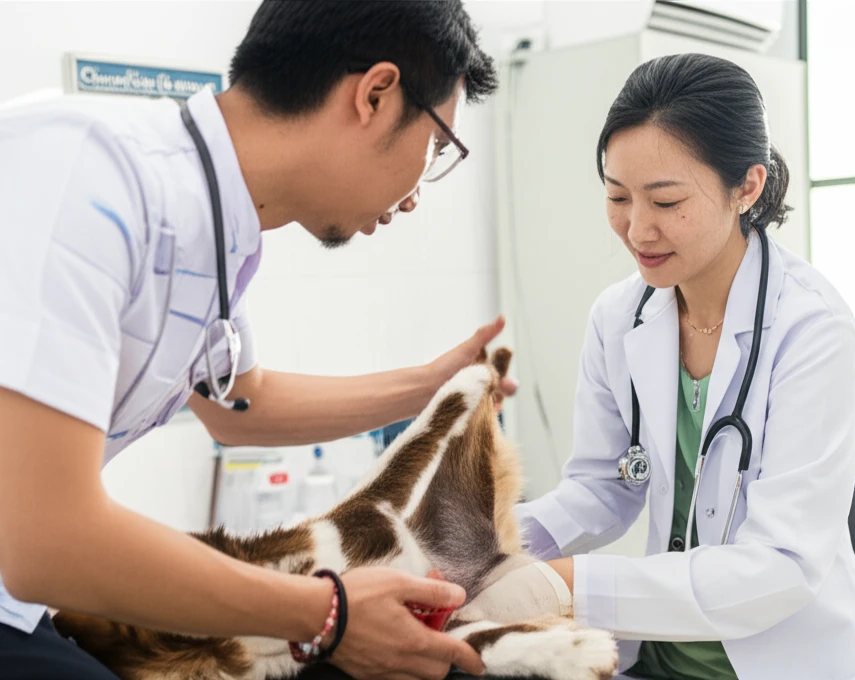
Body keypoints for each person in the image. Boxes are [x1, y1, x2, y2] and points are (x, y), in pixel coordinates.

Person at [0, 1, 515, 679]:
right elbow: (45, 538)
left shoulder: (214, 223)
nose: (418, 193)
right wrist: (327, 613)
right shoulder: (88, 176)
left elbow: (243, 406)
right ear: (375, 95)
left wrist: (431, 387)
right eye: (437, 146)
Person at [508, 54, 855, 679]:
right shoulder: (619, 318)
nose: (636, 229)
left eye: (666, 201)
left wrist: (563, 586)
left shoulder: (812, 327)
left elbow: (781, 564)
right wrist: (493, 546)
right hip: (659, 659)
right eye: (617, 197)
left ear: (746, 187)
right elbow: (604, 486)